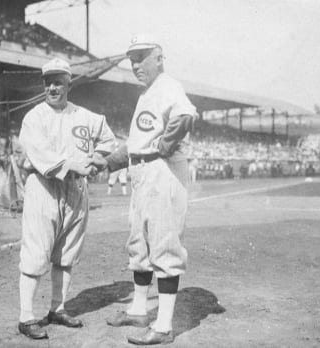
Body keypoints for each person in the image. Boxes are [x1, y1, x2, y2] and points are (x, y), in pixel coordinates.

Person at [90, 34, 197, 345]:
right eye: (132, 59)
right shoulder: (146, 94)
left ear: (159, 58)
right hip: (141, 171)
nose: (135, 64)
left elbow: (186, 115)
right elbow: (135, 145)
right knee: (139, 246)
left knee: (163, 247)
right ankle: (138, 310)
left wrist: (164, 145)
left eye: (142, 57)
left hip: (162, 173)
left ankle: (163, 326)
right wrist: (106, 163)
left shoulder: (168, 86)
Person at [17, 58, 116, 340]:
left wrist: (97, 159)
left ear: (69, 83)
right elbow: (38, 153)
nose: (52, 87)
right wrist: (74, 165)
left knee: (67, 253)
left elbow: (109, 142)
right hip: (44, 186)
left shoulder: (86, 116)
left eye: (58, 81)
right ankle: (26, 317)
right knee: (37, 252)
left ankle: (57, 309)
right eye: (48, 81)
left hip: (76, 190)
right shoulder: (34, 116)